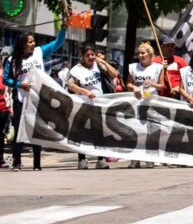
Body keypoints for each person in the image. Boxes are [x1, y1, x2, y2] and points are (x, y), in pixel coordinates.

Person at [3, 9, 69, 171]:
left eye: (33, 42)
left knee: (37, 130)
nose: (34, 44)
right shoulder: (12, 60)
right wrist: (19, 85)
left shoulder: (39, 52)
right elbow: (6, 79)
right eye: (30, 42)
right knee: (19, 131)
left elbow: (57, 43)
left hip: (39, 99)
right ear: (23, 45)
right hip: (21, 100)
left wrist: (64, 27)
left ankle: (37, 164)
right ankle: (17, 162)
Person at [65, 46, 118, 170]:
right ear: (82, 56)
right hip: (83, 104)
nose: (90, 57)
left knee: (99, 131)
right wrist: (84, 91)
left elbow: (114, 74)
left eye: (92, 54)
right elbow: (71, 85)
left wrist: (103, 62)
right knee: (82, 131)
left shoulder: (98, 66)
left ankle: (101, 159)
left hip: (99, 104)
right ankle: (82, 159)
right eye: (87, 55)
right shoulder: (76, 70)